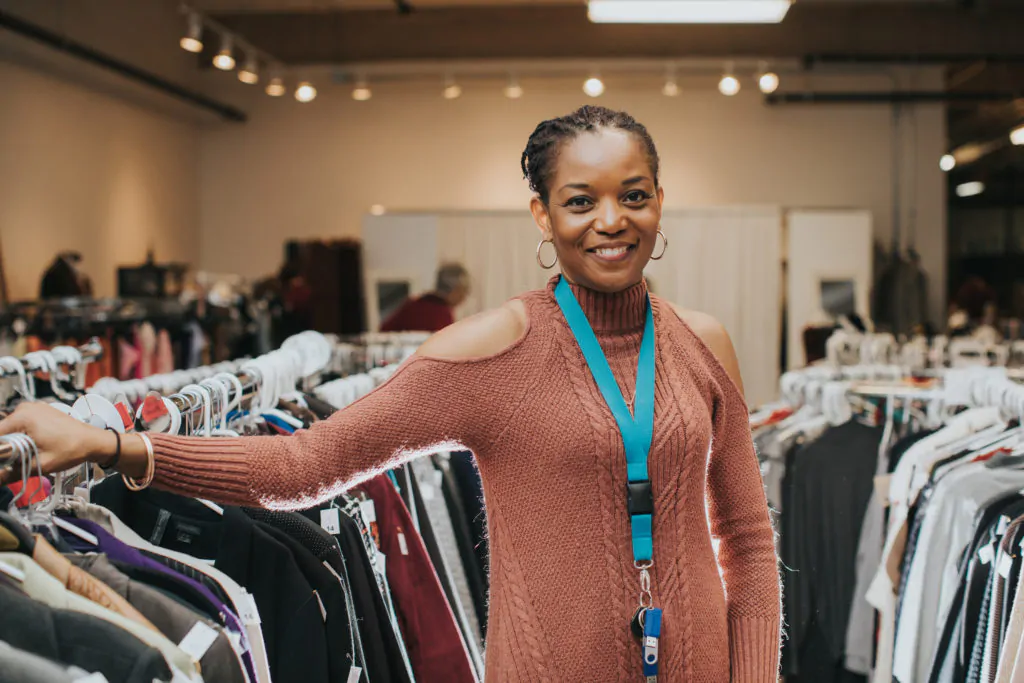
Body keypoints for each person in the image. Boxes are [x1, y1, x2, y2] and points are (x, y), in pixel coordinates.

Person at [0, 106, 781, 681]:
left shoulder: (702, 344)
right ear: (543, 213)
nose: (611, 220)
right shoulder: (492, 350)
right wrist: (113, 445)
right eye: (581, 200)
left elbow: (746, 542)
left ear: (659, 200)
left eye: (633, 194)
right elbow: (305, 464)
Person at [380, 263, 470, 332]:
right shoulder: (443, 314)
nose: (464, 296)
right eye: (464, 290)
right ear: (456, 290)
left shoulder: (411, 305)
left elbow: (383, 329)